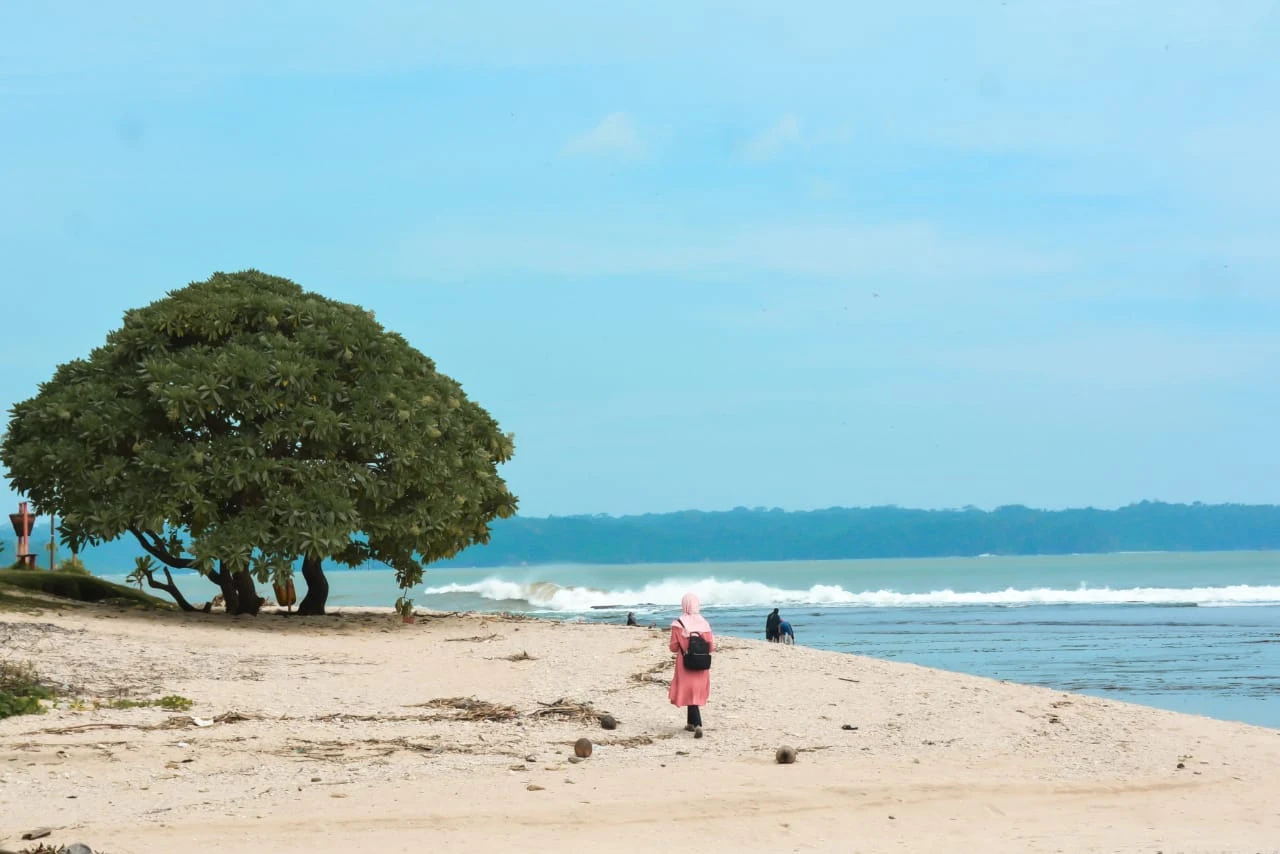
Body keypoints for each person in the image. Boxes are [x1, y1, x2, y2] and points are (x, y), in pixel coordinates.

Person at [669, 592, 714, 738]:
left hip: (685, 662)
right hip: (701, 662)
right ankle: (690, 724)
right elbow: (711, 647)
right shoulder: (704, 624)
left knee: (689, 692)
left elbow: (673, 647)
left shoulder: (678, 624)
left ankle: (698, 724)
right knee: (695, 692)